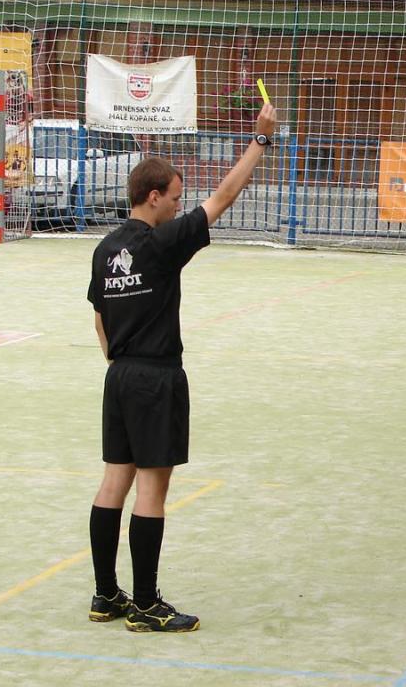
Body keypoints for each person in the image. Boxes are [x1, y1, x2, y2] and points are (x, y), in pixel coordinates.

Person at [86, 102, 278, 633]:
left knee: (113, 483)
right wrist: (260, 141)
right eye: (174, 197)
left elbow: (99, 318)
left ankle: (106, 595)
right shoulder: (161, 243)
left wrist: (118, 360)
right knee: (152, 491)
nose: (179, 205)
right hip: (156, 377)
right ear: (153, 196)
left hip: (119, 376)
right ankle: (146, 604)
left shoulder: (105, 249)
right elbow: (224, 197)